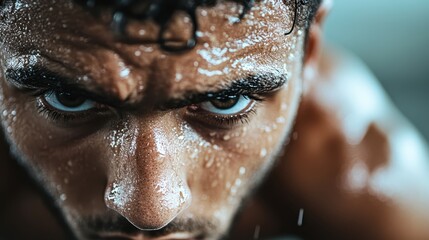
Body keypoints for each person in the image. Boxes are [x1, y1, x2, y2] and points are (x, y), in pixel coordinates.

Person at [0, 0, 428, 239]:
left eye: (226, 101)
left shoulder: (359, 175)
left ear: (307, 52)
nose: (150, 209)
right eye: (69, 98)